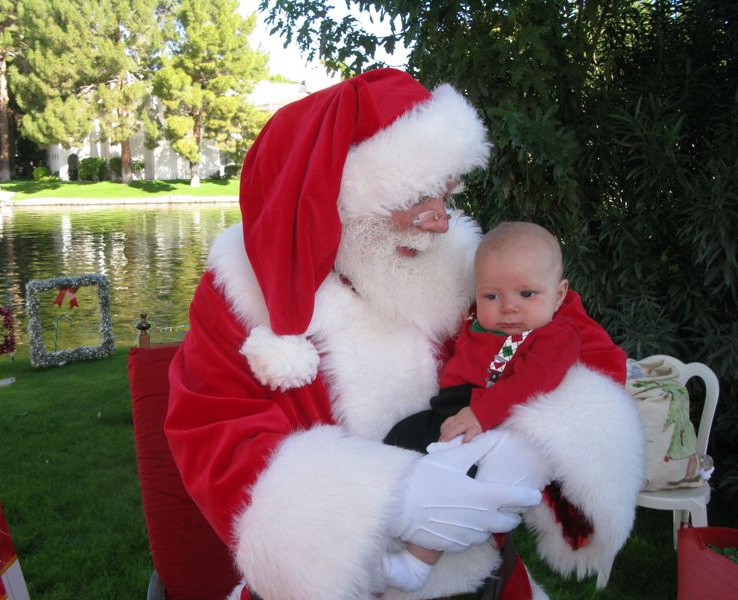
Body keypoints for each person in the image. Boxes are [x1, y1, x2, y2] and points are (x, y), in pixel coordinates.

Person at [165, 68, 646, 600]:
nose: (440, 222)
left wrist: (525, 444)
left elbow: (579, 340)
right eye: (418, 198)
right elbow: (214, 429)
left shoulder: (470, 266)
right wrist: (388, 500)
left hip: (482, 582)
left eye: (446, 196)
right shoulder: (238, 293)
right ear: (339, 198)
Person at [382, 221, 627, 592]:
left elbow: (531, 383)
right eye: (491, 296)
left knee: (451, 477)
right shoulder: (476, 324)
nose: (508, 308)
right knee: (400, 438)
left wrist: (482, 414)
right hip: (451, 405)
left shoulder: (555, 337)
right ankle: (379, 519)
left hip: (488, 412)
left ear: (559, 295)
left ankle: (418, 561)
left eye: (527, 294)